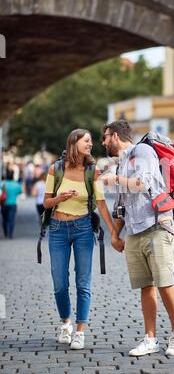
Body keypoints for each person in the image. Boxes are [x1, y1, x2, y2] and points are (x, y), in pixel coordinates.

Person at [101, 120, 174, 357]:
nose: (103, 142)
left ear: (115, 136)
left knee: (164, 281)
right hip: (135, 231)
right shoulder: (121, 164)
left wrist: (114, 180)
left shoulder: (143, 151)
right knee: (145, 285)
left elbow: (143, 184)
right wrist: (115, 234)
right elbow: (121, 205)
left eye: (105, 137)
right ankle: (150, 338)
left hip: (157, 225)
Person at [43, 129, 113, 350]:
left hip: (83, 228)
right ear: (74, 143)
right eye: (87, 140)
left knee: (83, 283)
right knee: (59, 284)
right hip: (57, 228)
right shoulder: (56, 169)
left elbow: (101, 203)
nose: (91, 144)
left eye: (91, 141)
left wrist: (113, 233)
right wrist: (59, 198)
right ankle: (66, 323)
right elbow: (45, 203)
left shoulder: (93, 171)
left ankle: (80, 331)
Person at [1, 169, 23, 239]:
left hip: (3, 204)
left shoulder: (2, 183)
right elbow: (20, 192)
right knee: (11, 220)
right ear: (13, 177)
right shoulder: (16, 184)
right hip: (13, 204)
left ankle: (5, 233)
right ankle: (10, 234)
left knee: (4, 219)